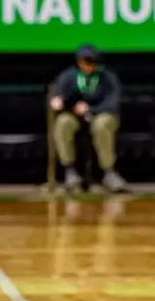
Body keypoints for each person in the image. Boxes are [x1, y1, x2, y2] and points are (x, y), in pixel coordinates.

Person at [49, 45, 126, 192]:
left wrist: (90, 110)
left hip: (100, 114)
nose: (87, 65)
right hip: (75, 116)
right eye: (84, 61)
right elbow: (58, 95)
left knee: (102, 124)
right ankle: (70, 171)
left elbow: (112, 103)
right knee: (63, 123)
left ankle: (108, 172)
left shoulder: (108, 78)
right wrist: (58, 100)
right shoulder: (68, 76)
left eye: (91, 61)